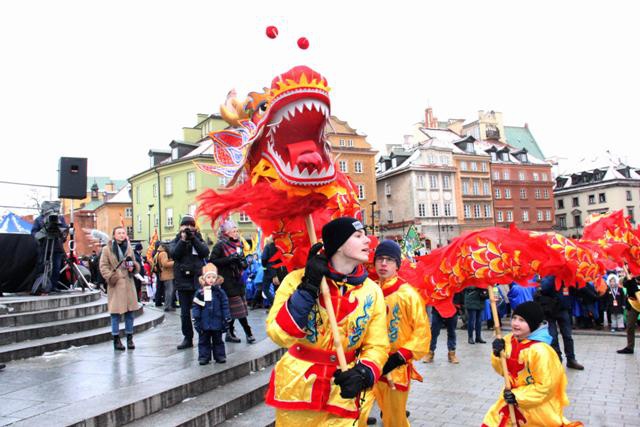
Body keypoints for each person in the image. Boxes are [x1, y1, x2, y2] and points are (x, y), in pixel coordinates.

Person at [265, 217, 389, 425]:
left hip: (343, 391)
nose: (368, 241)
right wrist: (308, 288)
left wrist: (364, 372)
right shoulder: (297, 279)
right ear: (338, 246)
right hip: (298, 389)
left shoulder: (372, 291)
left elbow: (378, 345)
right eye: (358, 236)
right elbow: (278, 333)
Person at [361, 240, 430, 427]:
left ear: (397, 265)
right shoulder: (368, 290)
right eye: (380, 259)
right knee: (358, 414)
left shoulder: (408, 294)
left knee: (394, 419)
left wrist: (400, 357)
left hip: (395, 367)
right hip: (368, 363)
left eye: (389, 260)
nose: (384, 264)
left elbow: (422, 332)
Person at [482, 302, 583, 427]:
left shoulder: (541, 351)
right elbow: (504, 371)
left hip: (535, 411)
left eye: (522, 320)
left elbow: (546, 387)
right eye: (514, 318)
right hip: (508, 404)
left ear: (533, 324)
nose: (515, 323)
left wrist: (518, 396)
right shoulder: (509, 340)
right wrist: (497, 354)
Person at [209, 220, 255, 344]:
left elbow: (242, 262)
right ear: (226, 233)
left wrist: (244, 263)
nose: (236, 233)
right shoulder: (220, 245)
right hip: (226, 280)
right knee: (238, 308)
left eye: (236, 231)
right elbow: (212, 260)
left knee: (234, 309)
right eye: (233, 231)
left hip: (238, 280)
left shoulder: (238, 245)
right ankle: (248, 332)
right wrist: (229, 259)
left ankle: (229, 332)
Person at [170, 215, 210, 350]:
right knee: (185, 313)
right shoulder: (176, 239)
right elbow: (174, 254)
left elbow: (205, 252)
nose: (188, 228)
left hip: (198, 281)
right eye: (185, 225)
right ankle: (188, 337)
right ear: (180, 227)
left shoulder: (198, 238)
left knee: (203, 309)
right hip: (182, 282)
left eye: (190, 225)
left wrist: (193, 239)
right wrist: (183, 240)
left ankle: (205, 335)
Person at [99, 226, 140, 351]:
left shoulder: (128, 248)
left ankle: (129, 338)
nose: (122, 235)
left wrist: (133, 267)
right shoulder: (107, 249)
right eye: (119, 233)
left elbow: (135, 262)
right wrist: (112, 276)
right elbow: (103, 266)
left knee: (130, 313)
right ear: (114, 235)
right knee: (115, 314)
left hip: (128, 283)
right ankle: (116, 339)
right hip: (115, 284)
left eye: (123, 233)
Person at [536, 276, 584, 370]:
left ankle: (571, 359)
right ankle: (557, 359)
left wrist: (574, 279)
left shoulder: (567, 276)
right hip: (550, 310)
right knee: (553, 337)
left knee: (568, 336)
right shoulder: (549, 276)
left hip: (563, 309)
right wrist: (555, 276)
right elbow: (545, 287)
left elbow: (577, 290)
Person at [192, 263, 231, 365]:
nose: (211, 279)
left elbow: (225, 304)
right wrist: (196, 317)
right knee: (203, 341)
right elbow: (196, 306)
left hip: (217, 320)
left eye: (213, 277)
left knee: (218, 340)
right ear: (204, 278)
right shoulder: (200, 293)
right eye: (208, 277)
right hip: (204, 321)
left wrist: (226, 316)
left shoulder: (219, 292)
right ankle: (204, 357)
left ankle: (220, 356)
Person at [30, 201, 68, 293]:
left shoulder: (60, 218)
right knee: (42, 267)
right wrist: (41, 234)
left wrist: (62, 234)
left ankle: (53, 286)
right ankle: (42, 285)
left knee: (56, 267)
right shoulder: (39, 219)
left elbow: (65, 230)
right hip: (44, 247)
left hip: (57, 247)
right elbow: (33, 232)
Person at [424, 300, 460, 364]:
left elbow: (460, 292)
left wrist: (458, 305)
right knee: (434, 332)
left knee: (451, 332)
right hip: (437, 309)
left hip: (452, 308)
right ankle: (430, 352)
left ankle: (452, 353)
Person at [617, 270, 639, 354]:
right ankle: (630, 347)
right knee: (630, 326)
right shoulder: (629, 274)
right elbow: (625, 284)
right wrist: (630, 277)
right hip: (633, 303)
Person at [154, 242, 176, 311]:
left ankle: (168, 305)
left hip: (164, 274)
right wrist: (175, 262)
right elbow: (165, 264)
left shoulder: (158, 253)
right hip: (167, 275)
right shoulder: (163, 253)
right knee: (169, 291)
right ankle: (168, 306)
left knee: (167, 291)